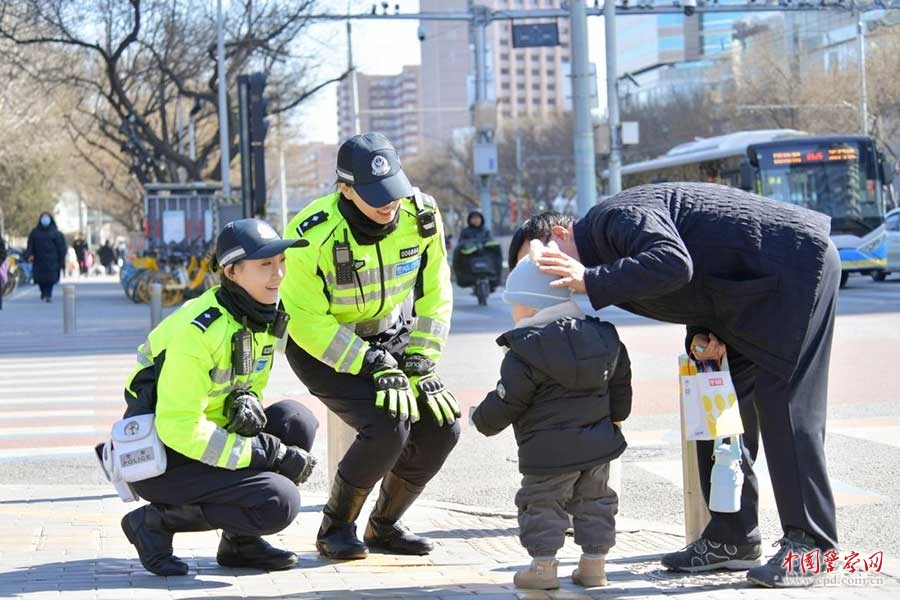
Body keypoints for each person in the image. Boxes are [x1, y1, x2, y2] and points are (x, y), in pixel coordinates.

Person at [507, 182, 841, 589]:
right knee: (712, 401)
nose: (546, 276)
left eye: (545, 261)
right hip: (739, 302)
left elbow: (673, 262)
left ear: (560, 235)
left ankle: (812, 547)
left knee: (783, 406)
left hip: (795, 267)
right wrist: (702, 335)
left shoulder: (614, 219)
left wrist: (589, 279)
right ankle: (732, 537)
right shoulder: (599, 266)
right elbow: (694, 279)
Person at [280, 131, 460, 561]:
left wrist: (420, 361)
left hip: (391, 333)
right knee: (388, 424)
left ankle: (385, 525)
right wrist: (372, 362)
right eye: (375, 194)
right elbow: (308, 322)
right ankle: (335, 528)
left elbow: (435, 291)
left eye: (394, 189)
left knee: (441, 427)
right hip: (324, 348)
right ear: (345, 189)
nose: (389, 202)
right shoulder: (310, 235)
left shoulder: (422, 215)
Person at [116, 218, 318, 576]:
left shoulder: (260, 314)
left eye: (281, 262)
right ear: (232, 271)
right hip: (162, 458)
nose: (279, 274)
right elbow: (179, 427)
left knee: (295, 420)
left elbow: (247, 384)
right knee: (278, 502)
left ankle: (240, 543)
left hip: (204, 437)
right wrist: (264, 452)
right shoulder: (199, 329)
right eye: (265, 265)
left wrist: (247, 405)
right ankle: (154, 523)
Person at [471, 249, 632, 591]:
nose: (512, 312)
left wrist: (481, 419)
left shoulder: (525, 351)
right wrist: (617, 418)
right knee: (596, 501)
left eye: (514, 303)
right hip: (598, 446)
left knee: (542, 504)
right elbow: (621, 384)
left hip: (547, 453)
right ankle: (594, 566)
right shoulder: (605, 337)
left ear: (531, 306)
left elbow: (509, 399)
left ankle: (543, 568)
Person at [26, 212, 67, 302]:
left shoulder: (56, 233)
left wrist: (61, 259)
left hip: (52, 260)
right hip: (39, 260)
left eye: (47, 218)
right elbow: (30, 245)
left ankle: (48, 294)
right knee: (40, 279)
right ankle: (43, 292)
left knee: (50, 279)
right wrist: (29, 254)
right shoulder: (35, 232)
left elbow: (62, 247)